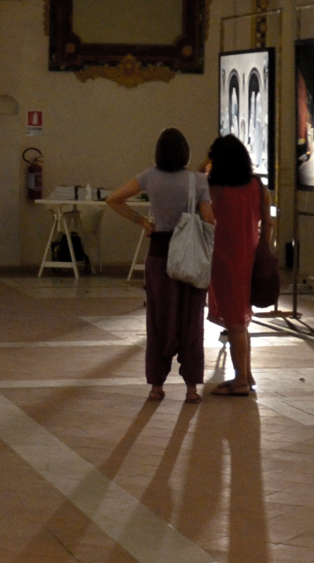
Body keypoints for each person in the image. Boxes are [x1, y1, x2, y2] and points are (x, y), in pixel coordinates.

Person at [106, 127, 214, 403]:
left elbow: (114, 199)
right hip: (190, 254)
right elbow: (209, 220)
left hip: (159, 253)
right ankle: (191, 388)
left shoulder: (148, 177)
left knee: (158, 320)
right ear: (185, 152)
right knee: (191, 320)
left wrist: (142, 221)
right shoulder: (198, 180)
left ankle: (156, 385)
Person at [204, 133, 269, 397]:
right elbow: (268, 222)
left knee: (235, 323)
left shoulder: (216, 187)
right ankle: (246, 374)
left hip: (224, 257)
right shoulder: (257, 185)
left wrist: (206, 161)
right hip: (249, 255)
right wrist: (265, 248)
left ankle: (240, 380)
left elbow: (195, 178)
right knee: (240, 320)